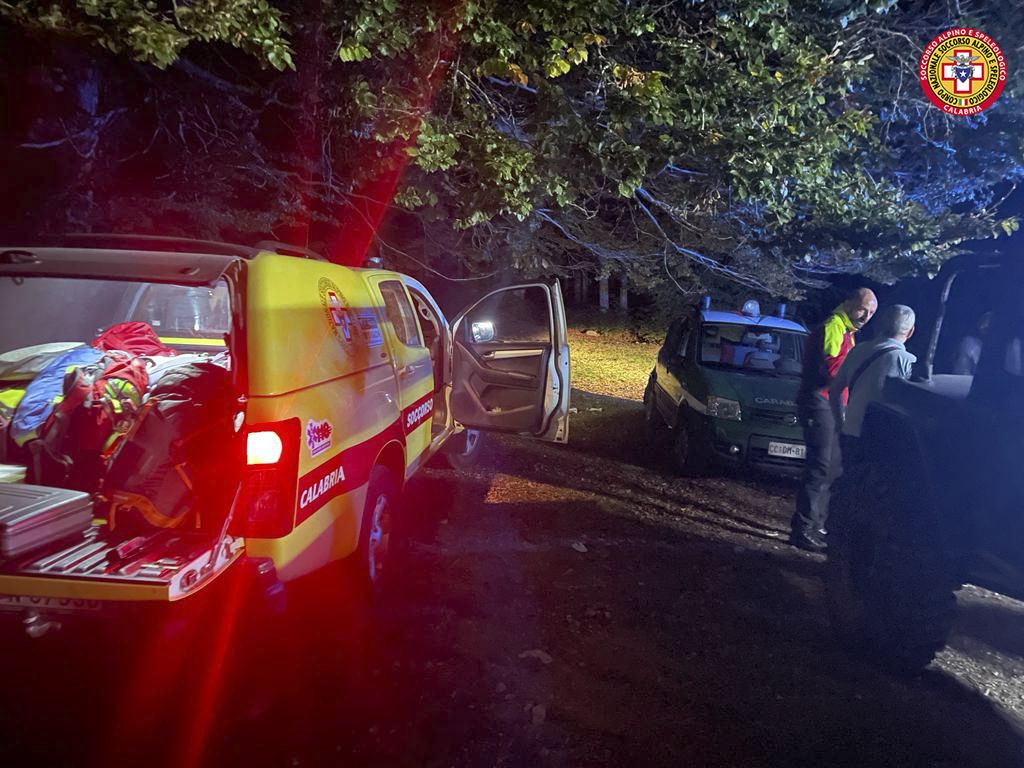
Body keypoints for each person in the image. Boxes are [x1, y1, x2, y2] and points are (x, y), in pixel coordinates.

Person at [789, 287, 877, 552]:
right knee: (820, 466)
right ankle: (804, 529)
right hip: (820, 401)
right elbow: (832, 369)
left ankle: (814, 526)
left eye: (871, 312)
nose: (866, 316)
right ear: (849, 301)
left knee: (828, 467)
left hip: (829, 403)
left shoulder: (846, 330)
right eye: (863, 308)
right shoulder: (834, 327)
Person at [829, 304, 917, 467]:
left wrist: (840, 422)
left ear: (880, 324)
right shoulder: (908, 361)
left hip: (851, 432)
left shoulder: (857, 351)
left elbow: (834, 391)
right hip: (884, 440)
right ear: (911, 331)